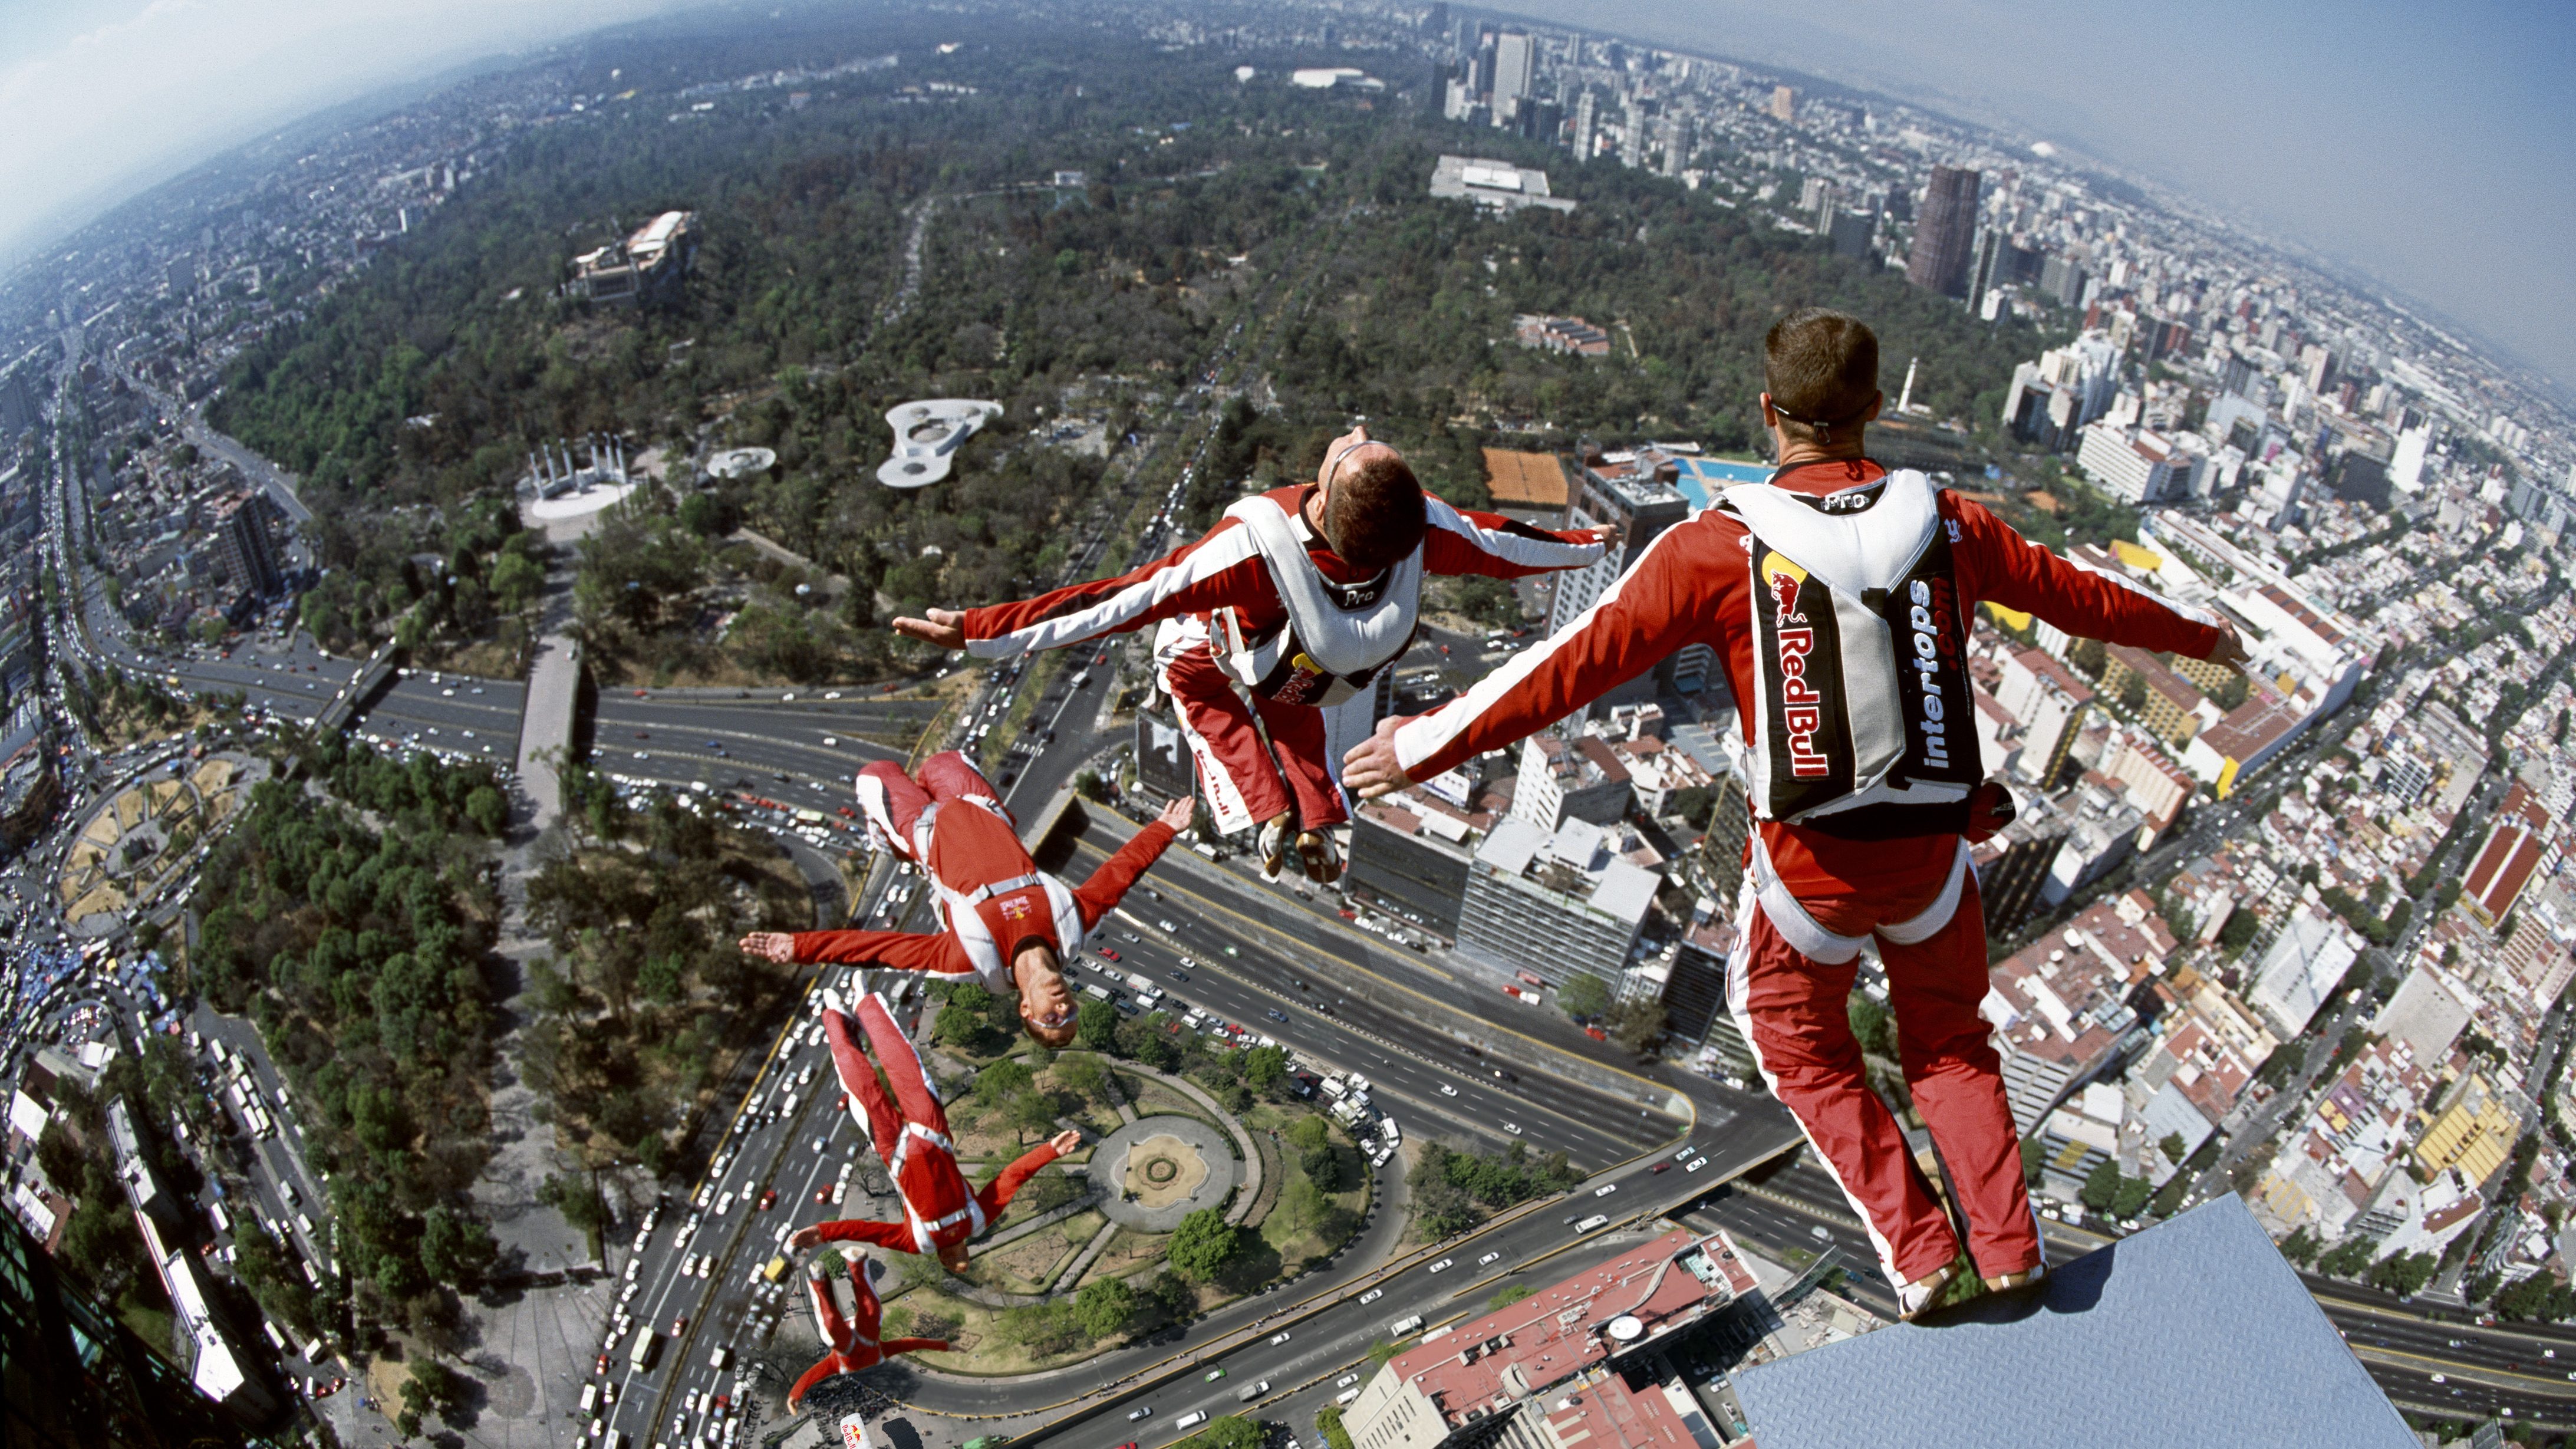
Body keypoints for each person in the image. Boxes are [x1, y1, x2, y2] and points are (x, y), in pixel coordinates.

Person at [1343, 308, 2250, 1318]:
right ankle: (2006, 1246)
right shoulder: (1954, 525)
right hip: (1938, 857)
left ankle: (1920, 1253)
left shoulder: (1720, 545)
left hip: (1812, 867)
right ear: (1873, 410)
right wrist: (2203, 637)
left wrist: (1420, 744)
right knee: (1949, 1043)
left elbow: (1569, 665)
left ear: (1767, 412)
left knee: (1793, 1036)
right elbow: (2087, 599)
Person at [890, 427, 1607, 882]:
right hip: (1320, 674)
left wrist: (983, 628)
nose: (1351, 432)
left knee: (1190, 678)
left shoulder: (1254, 548)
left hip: (1238, 649)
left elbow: (1117, 601)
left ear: (1322, 500)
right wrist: (1592, 546)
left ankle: (1266, 808)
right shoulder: (1419, 537)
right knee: (1296, 719)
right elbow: (1509, 546)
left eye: (1348, 450)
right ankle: (1321, 818)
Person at [740, 753, 1193, 1046]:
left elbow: (880, 950)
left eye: (1052, 1019)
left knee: (875, 774)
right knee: (940, 760)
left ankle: (889, 841)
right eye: (1070, 1011)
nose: (1062, 1007)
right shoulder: (1070, 924)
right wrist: (1164, 828)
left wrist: (800, 946)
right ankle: (901, 829)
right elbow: (1119, 875)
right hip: (977, 805)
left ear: (1025, 1010)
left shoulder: (969, 959)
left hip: (924, 828)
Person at [786, 988, 1083, 1273]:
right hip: (902, 1151)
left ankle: (861, 1004)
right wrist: (825, 1232)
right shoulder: (925, 1241)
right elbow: (866, 1232)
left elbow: (1010, 1179)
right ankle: (837, 1016)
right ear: (940, 1257)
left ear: (961, 1248)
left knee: (899, 1064)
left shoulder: (973, 1224)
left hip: (931, 1137)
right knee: (861, 1083)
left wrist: (1050, 1151)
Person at [785, 1246, 950, 1411]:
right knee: (871, 1311)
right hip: (865, 1337)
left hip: (844, 1344)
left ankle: (818, 1280)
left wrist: (795, 1395)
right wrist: (944, 1346)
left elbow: (812, 1375)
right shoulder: (880, 1353)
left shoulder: (838, 1364)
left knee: (831, 1322)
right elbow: (911, 1344)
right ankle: (856, 1264)